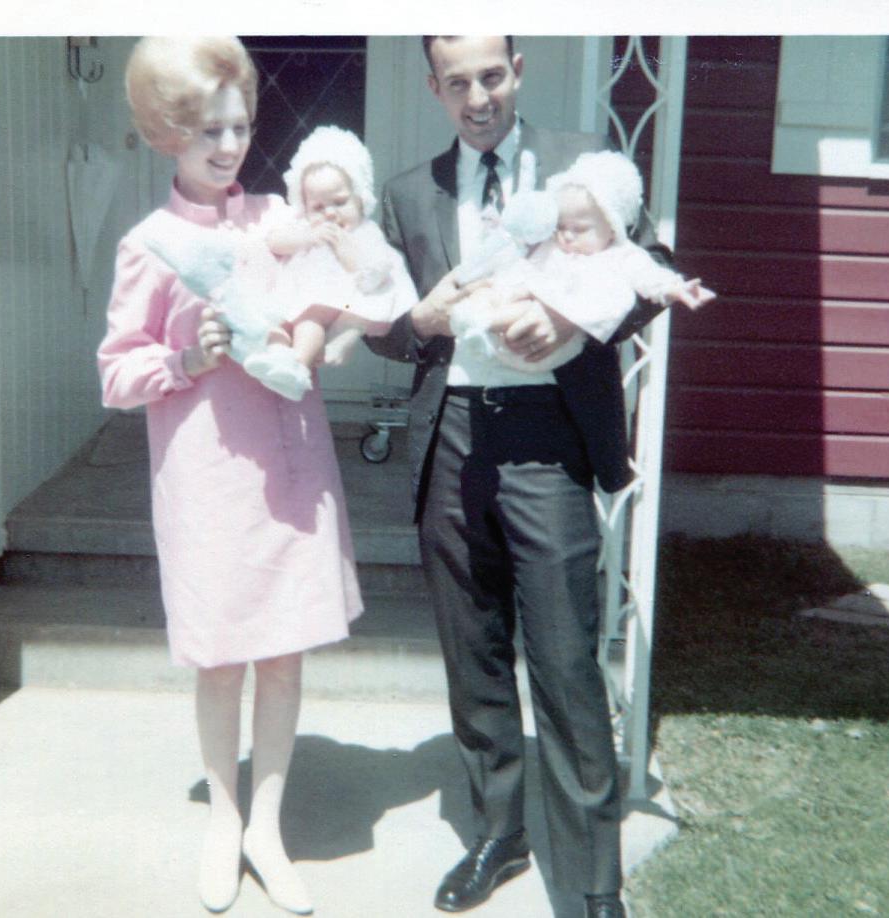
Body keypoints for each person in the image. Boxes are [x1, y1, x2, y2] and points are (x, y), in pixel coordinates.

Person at [367, 36, 673, 918]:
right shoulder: (408, 193)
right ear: (434, 86)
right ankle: (499, 835)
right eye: (458, 82)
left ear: (519, 70)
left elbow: (650, 270)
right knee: (474, 652)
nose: (478, 98)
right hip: (453, 435)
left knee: (567, 659)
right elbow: (382, 322)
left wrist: (572, 324)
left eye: (492, 76)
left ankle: (593, 878)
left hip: (548, 435)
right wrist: (419, 323)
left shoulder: (583, 163)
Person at [97, 37, 362, 915]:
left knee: (283, 653)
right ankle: (224, 820)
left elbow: (334, 298)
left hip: (288, 464)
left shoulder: (277, 218)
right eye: (207, 129)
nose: (228, 145)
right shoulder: (151, 244)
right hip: (208, 477)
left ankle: (266, 830)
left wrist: (315, 334)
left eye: (240, 126)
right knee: (219, 659)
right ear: (167, 132)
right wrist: (186, 358)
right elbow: (116, 373)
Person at [451, 149, 714, 374]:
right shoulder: (553, 246)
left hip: (550, 345)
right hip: (519, 337)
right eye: (561, 226)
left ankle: (481, 325)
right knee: (497, 291)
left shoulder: (621, 254)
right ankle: (476, 325)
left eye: (580, 229)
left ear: (611, 227)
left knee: (524, 307)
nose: (566, 236)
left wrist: (677, 288)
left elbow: (650, 276)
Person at [268, 125, 418, 368]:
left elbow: (375, 273)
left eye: (339, 202)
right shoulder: (306, 228)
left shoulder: (364, 233)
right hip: (303, 296)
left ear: (360, 199)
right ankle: (283, 362)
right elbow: (274, 242)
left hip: (344, 301)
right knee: (283, 323)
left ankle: (304, 361)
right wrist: (306, 238)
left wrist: (348, 254)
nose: (329, 213)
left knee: (316, 319)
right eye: (318, 207)